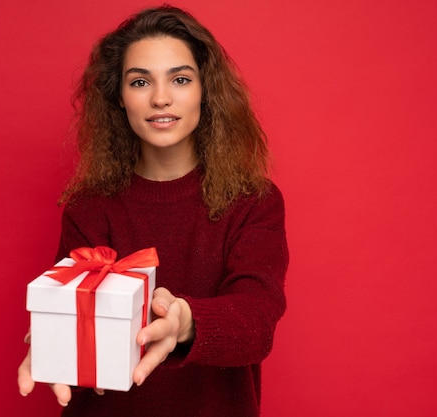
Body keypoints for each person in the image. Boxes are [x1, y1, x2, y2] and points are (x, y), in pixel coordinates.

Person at [17, 5, 288, 417]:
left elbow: (257, 322)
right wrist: (54, 337)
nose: (161, 97)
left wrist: (185, 320)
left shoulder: (254, 201)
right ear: (119, 98)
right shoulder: (89, 207)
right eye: (140, 81)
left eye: (180, 79)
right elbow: (71, 311)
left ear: (205, 91)